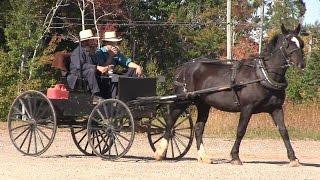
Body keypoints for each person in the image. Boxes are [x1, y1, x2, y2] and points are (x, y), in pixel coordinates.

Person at [67, 29, 106, 101]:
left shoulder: (89, 51)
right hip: (77, 74)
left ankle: (106, 93)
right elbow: (79, 66)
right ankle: (95, 95)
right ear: (85, 41)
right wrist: (96, 67)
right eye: (91, 40)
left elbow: (96, 63)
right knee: (91, 71)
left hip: (86, 72)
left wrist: (104, 68)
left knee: (101, 73)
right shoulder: (77, 52)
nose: (93, 42)